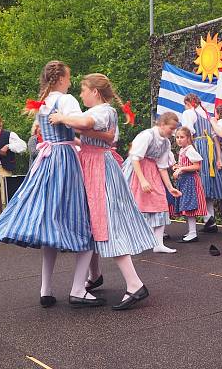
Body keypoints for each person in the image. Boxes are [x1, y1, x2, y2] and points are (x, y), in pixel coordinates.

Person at [0, 60, 101, 309]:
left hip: (46, 162)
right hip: (64, 161)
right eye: (68, 77)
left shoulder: (43, 103)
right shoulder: (66, 100)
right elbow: (80, 124)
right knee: (84, 221)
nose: (70, 81)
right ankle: (78, 289)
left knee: (50, 224)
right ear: (60, 78)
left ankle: (46, 290)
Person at [49, 73, 156, 310]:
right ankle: (95, 275)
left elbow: (86, 125)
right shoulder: (106, 112)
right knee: (96, 223)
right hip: (95, 164)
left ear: (95, 92)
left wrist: (62, 118)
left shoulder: (101, 112)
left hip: (98, 169)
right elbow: (99, 137)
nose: (81, 94)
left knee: (105, 223)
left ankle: (135, 284)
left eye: (84, 90)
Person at [122, 112, 182, 254]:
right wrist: (142, 180)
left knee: (160, 202)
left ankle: (158, 244)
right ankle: (131, 242)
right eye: (171, 128)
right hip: (137, 171)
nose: (173, 132)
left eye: (174, 129)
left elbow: (162, 167)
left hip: (152, 171)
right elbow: (135, 158)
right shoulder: (147, 135)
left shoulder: (166, 142)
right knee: (136, 205)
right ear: (162, 124)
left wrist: (170, 187)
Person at [181, 94, 222, 232]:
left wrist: (186, 151)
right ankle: (209, 220)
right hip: (210, 148)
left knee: (199, 181)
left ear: (189, 103)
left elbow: (187, 132)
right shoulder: (207, 115)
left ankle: (208, 218)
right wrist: (219, 158)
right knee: (207, 182)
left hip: (198, 147)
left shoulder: (189, 112)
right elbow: (215, 138)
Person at [167, 126, 207, 243]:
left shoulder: (190, 150)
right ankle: (191, 231)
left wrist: (181, 169)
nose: (179, 139)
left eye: (182, 137)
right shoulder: (183, 150)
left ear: (188, 138)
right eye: (177, 137)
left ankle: (193, 233)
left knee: (190, 206)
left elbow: (197, 166)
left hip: (190, 181)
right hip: (184, 181)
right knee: (186, 206)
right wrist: (178, 167)